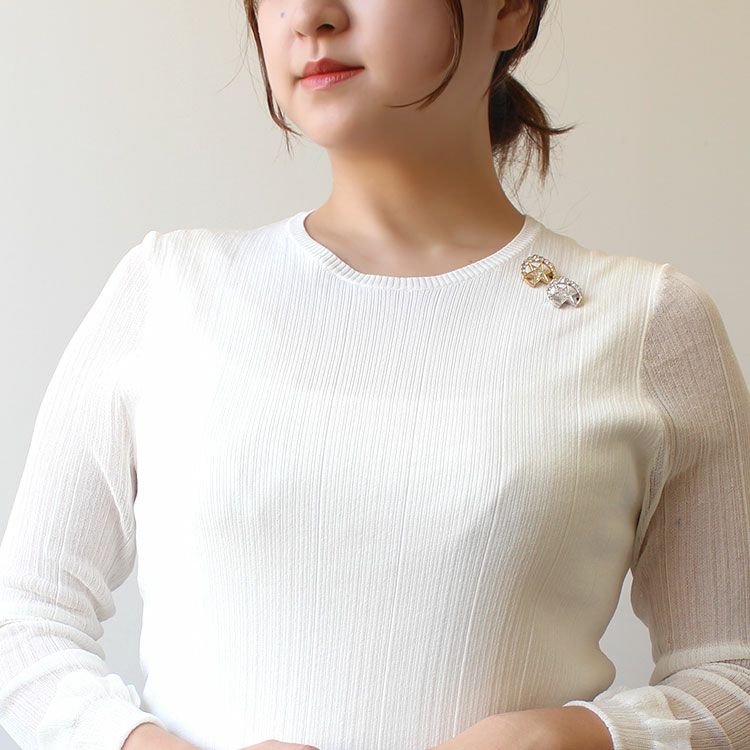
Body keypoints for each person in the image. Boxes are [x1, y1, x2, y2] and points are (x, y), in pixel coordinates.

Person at [1, 0, 749, 748]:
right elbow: (24, 625)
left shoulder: (646, 323)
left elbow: (734, 677)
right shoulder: (172, 291)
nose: (310, 15)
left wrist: (568, 738)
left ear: (509, 10)